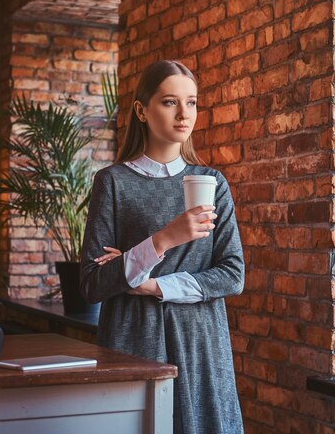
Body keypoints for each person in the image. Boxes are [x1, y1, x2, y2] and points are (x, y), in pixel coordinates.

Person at [79, 60, 245, 434]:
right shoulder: (113, 183)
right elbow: (91, 282)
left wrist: (151, 284)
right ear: (142, 110)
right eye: (170, 102)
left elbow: (232, 275)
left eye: (192, 102)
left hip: (201, 341)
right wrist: (164, 239)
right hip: (132, 337)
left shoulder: (213, 182)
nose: (184, 114)